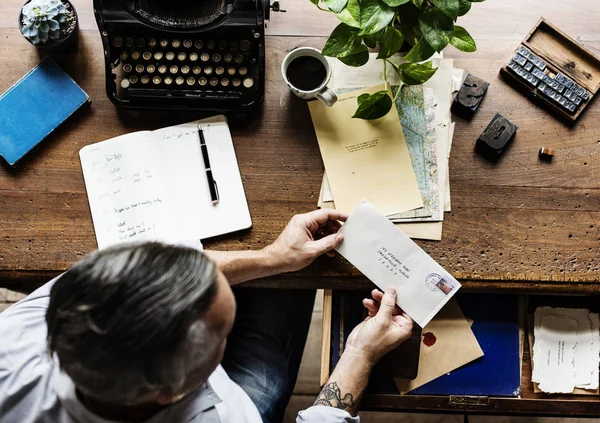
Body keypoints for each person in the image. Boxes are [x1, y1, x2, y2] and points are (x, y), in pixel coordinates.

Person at [0, 209, 413, 423]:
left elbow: (181, 271)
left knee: (288, 273)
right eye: (224, 331)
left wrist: (272, 258)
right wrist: (359, 352)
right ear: (171, 392)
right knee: (269, 372)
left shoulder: (15, 337)